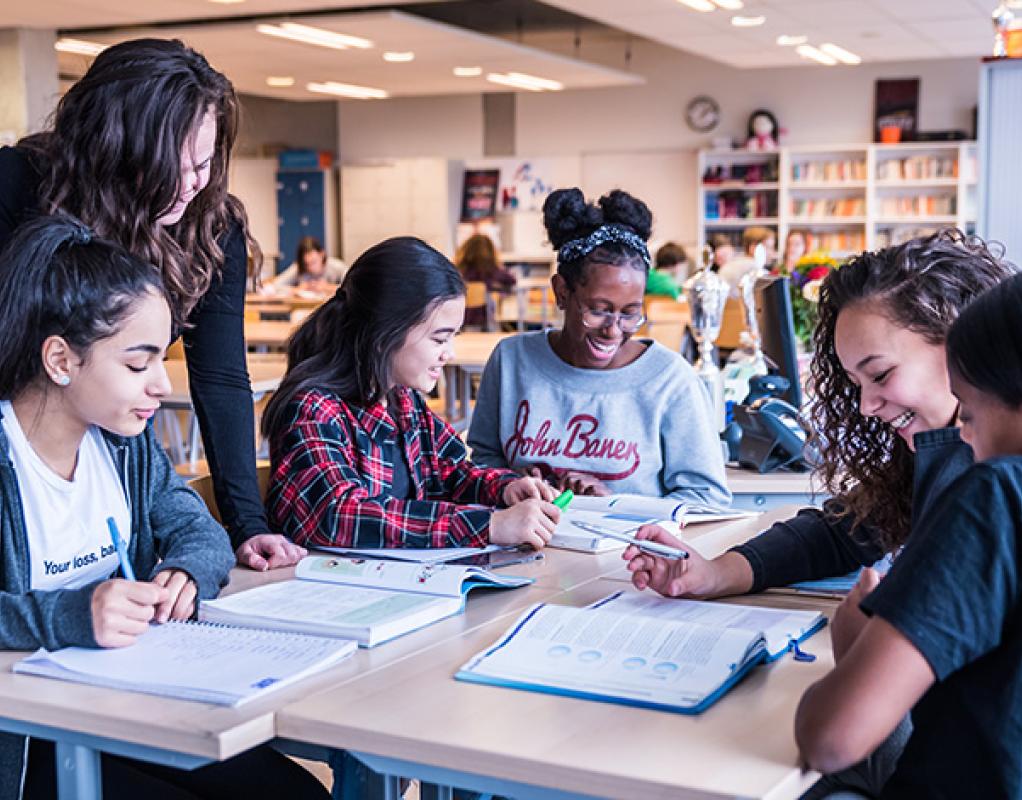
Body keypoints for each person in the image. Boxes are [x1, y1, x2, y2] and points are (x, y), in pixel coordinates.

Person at [0, 215, 329, 800]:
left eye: (162, 359)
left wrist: (185, 572)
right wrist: (72, 616)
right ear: (60, 360)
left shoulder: (124, 447)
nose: (160, 383)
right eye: (137, 363)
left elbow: (200, 534)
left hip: (128, 707)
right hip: (25, 742)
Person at [0, 38, 301, 572]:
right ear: (116, 147)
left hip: (114, 445)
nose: (191, 185)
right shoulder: (17, 184)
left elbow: (222, 379)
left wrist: (247, 526)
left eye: (204, 164)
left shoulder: (211, 224)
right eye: (173, 166)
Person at [623, 231, 1012, 600]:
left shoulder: (995, 480)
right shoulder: (937, 451)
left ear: (960, 339)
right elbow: (845, 530)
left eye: (880, 374)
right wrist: (713, 574)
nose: (866, 405)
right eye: (856, 383)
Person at [795, 271, 1022, 798]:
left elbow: (830, 738)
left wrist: (856, 648)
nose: (963, 433)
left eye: (966, 409)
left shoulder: (995, 497)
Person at [261, 235, 561, 550]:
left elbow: (452, 472)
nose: (450, 354)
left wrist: (504, 488)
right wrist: (487, 526)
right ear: (384, 333)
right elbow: (338, 514)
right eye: (439, 339)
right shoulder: (312, 410)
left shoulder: (403, 400)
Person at [467, 187, 729, 506]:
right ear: (562, 292)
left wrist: (611, 502)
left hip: (630, 554)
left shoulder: (671, 380)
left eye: (630, 313)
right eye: (599, 310)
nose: (614, 330)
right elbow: (482, 463)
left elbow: (708, 499)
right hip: (527, 549)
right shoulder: (511, 361)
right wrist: (511, 484)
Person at [454, 233, 516, 328]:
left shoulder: (458, 271)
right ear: (491, 253)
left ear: (465, 251)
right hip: (485, 320)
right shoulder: (493, 271)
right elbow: (512, 281)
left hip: (461, 319)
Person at [267, 236, 347, 293]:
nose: (310, 268)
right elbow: (275, 285)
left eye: (314, 262)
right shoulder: (299, 267)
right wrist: (297, 289)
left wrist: (327, 287)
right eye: (307, 264)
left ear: (322, 254)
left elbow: (353, 287)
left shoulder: (337, 266)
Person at [718, 226, 775, 296]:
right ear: (753, 248)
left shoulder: (733, 263)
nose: (772, 253)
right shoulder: (754, 268)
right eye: (768, 247)